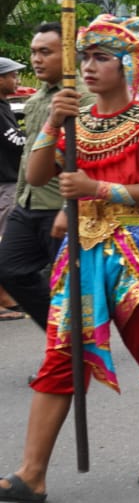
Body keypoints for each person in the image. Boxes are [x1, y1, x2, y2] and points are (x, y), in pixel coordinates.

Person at [0, 15, 139, 503]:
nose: (88, 67)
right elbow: (38, 174)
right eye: (85, 57)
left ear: (127, 65)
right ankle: (31, 474)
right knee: (60, 355)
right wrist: (52, 122)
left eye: (101, 58)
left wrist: (96, 188)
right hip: (82, 251)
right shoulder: (76, 120)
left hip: (133, 248)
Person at [0, 25, 72, 333]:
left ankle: (75, 347)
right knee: (10, 270)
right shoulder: (34, 101)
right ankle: (63, 335)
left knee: (73, 286)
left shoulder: (78, 97)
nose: (36, 59)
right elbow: (28, 153)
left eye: (45, 52)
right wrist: (19, 198)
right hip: (27, 202)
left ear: (68, 55)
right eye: (33, 52)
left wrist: (70, 207)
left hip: (60, 206)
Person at [0, 55, 30, 320]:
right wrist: (39, 136)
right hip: (5, 183)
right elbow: (15, 143)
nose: (16, 80)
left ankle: (6, 295)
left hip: (7, 182)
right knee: (4, 241)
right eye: (12, 75)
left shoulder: (4, 106)